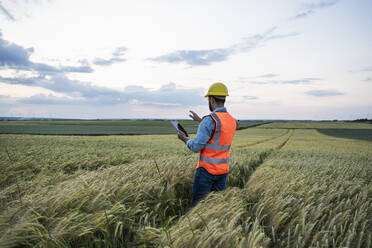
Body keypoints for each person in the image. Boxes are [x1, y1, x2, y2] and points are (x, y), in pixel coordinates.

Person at [177, 82, 238, 207]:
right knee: (215, 207)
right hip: (222, 172)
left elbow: (196, 147)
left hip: (206, 172)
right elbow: (219, 129)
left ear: (211, 99)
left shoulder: (209, 121)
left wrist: (184, 139)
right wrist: (201, 120)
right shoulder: (233, 121)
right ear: (224, 99)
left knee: (198, 208)